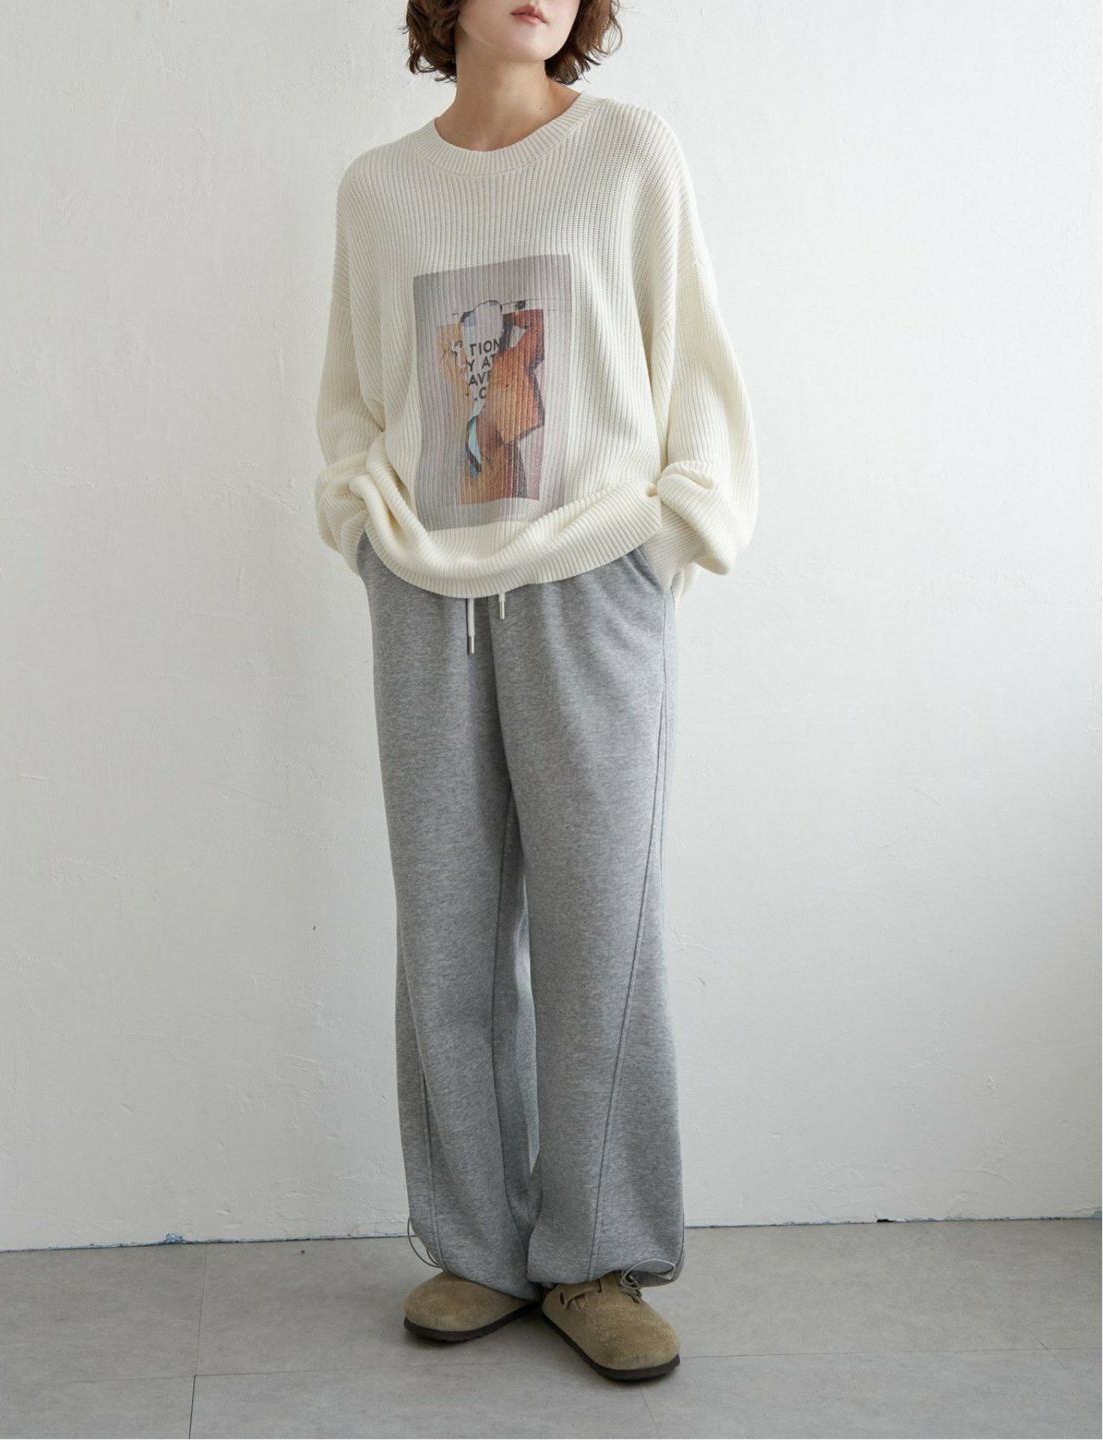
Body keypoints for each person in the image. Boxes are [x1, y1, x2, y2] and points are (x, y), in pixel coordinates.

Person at [313, 0, 758, 1383]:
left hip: (591, 579)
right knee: (446, 925)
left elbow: (694, 362)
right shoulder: (378, 189)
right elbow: (351, 394)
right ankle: (476, 1246)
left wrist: (672, 528)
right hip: (423, 589)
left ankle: (598, 1255)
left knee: (599, 924)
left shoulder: (628, 152)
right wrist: (359, 520)